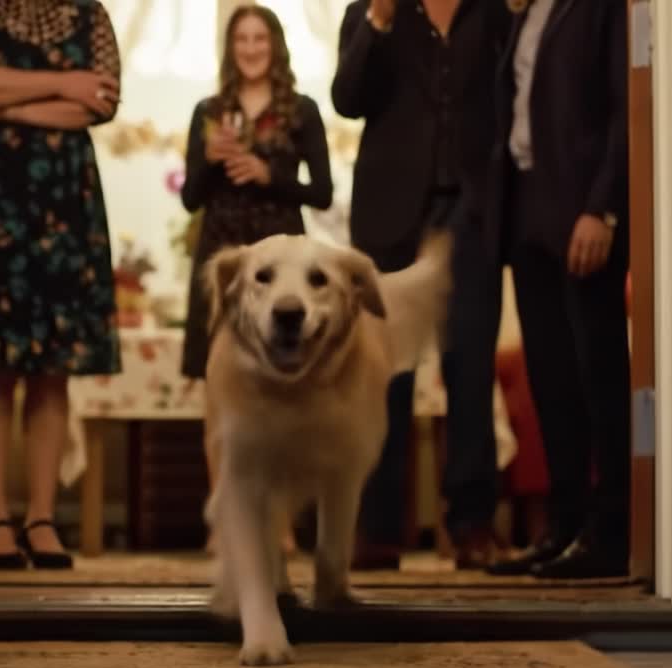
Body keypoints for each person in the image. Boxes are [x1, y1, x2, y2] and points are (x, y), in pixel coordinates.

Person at [0, 0, 124, 570]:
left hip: (63, 201)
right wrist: (62, 85)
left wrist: (11, 99)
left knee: (52, 367)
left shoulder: (87, 12)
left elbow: (102, 101)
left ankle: (42, 517)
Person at [331, 0, 507, 569]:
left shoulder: (493, 12)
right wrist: (378, 22)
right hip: (390, 217)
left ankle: (472, 524)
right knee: (386, 374)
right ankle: (379, 528)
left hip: (471, 210)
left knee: (471, 364)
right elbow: (348, 99)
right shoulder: (370, 12)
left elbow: (509, 101)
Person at [484, 0, 632, 579]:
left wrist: (604, 210)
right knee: (551, 377)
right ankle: (563, 525)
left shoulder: (601, 7)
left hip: (581, 211)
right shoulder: (525, 10)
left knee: (597, 373)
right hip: (525, 207)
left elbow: (626, 108)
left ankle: (611, 531)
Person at [178, 4, 334, 552]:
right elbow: (190, 197)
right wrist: (209, 161)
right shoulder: (209, 110)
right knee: (217, 392)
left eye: (259, 38)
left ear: (275, 45)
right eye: (241, 39)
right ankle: (226, 518)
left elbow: (324, 193)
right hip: (223, 264)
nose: (250, 48)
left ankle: (280, 525)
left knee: (282, 396)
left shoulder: (302, 111)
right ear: (230, 47)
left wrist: (271, 174)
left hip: (280, 264)